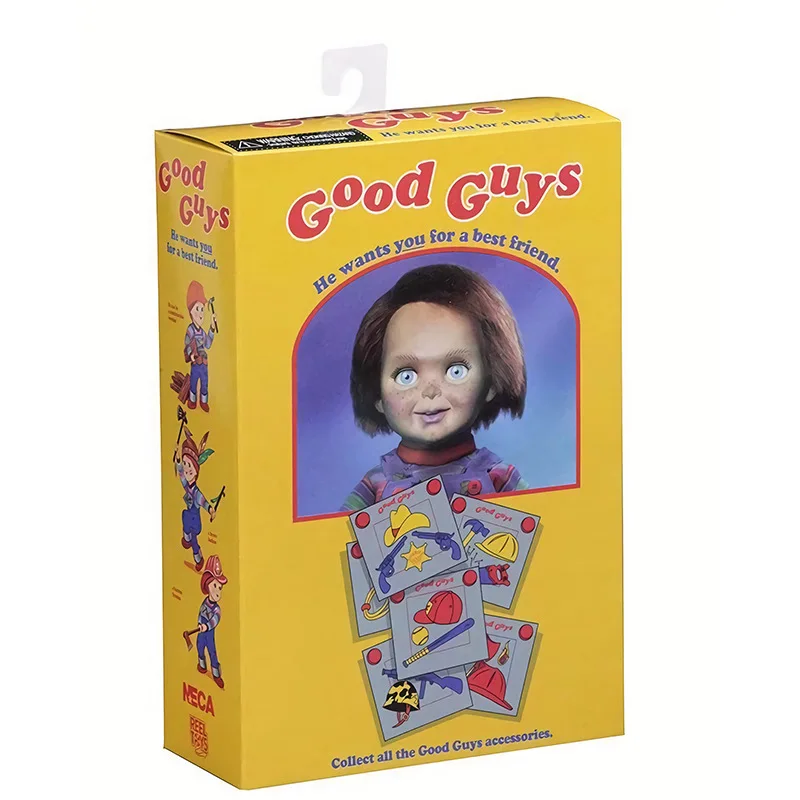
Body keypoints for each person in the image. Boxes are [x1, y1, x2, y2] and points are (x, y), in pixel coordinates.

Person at [342, 264, 528, 511]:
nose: (430, 391)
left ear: (492, 381)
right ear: (376, 394)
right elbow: (336, 533)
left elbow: (546, 524)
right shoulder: (375, 484)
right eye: (406, 376)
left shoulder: (498, 476)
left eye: (456, 371)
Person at [174, 433, 216, 570]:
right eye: (185, 464)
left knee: (193, 538)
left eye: (190, 466)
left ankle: (198, 558)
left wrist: (210, 510)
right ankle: (186, 539)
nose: (187, 469)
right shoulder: (186, 485)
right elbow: (181, 473)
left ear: (196, 471)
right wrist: (178, 459)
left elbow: (203, 502)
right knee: (184, 515)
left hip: (195, 521)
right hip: (188, 517)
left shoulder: (197, 493)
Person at [184, 281, 217, 412]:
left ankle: (204, 401)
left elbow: (207, 344)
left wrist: (212, 328)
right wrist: (191, 354)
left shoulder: (202, 332)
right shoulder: (190, 330)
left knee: (204, 383)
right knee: (193, 382)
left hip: (204, 363)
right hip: (195, 362)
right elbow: (187, 344)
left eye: (202, 309)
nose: (200, 313)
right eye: (197, 309)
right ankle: (192, 401)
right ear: (191, 311)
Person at [197, 554, 227, 689]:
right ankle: (202, 665)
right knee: (199, 646)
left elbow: (215, 620)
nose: (217, 592)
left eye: (220, 588)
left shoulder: (217, 609)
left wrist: (206, 626)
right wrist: (199, 623)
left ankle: (216, 674)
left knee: (212, 652)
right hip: (201, 632)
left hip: (209, 633)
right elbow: (200, 613)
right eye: (215, 585)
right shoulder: (204, 602)